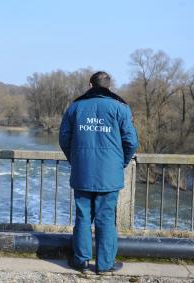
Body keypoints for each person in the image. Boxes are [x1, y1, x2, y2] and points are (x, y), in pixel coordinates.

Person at [59, 71, 138, 274]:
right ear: (109, 87)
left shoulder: (75, 107)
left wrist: (76, 160)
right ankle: (105, 265)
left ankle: (81, 262)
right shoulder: (120, 108)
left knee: (83, 216)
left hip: (82, 171)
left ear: (90, 84)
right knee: (106, 218)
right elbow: (131, 142)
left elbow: (64, 139)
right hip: (109, 173)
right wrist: (121, 163)